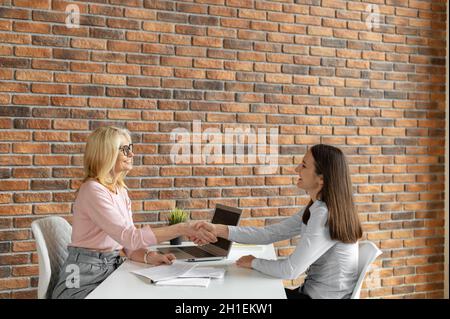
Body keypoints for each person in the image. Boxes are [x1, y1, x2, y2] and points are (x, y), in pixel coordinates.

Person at [52, 126, 216, 299]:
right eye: (125, 149)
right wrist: (182, 228)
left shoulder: (120, 190)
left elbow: (128, 245)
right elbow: (129, 237)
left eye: (131, 149)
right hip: (80, 279)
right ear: (106, 153)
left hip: (107, 270)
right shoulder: (93, 190)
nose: (131, 155)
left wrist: (150, 256)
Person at [196, 144, 363, 299]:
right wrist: (219, 229)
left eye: (304, 165)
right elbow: (271, 233)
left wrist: (254, 262)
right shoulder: (319, 208)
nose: (297, 169)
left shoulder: (323, 214)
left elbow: (291, 270)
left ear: (322, 179)